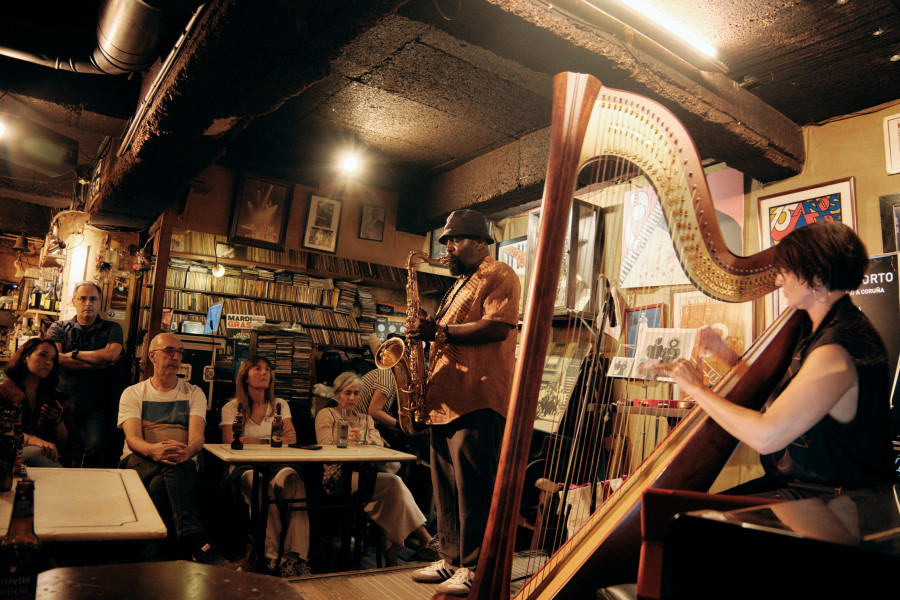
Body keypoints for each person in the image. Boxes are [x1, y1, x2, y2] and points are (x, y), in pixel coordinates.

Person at [661, 221, 897, 497]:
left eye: (786, 272)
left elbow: (766, 436)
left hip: (838, 501)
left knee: (686, 523)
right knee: (682, 511)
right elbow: (785, 400)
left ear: (817, 278)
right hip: (806, 488)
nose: (777, 281)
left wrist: (696, 389)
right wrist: (724, 353)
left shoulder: (838, 348)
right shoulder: (826, 329)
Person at [405, 209, 521, 596]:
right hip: (444, 401)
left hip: (476, 398)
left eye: (455, 240)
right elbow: (445, 335)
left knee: (474, 489)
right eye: (447, 242)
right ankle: (451, 559)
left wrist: (437, 329)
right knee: (447, 489)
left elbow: (497, 327)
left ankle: (474, 566)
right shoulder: (459, 283)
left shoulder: (499, 273)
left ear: (480, 242)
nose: (449, 248)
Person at [117, 332, 233, 567]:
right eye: (169, 351)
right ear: (152, 356)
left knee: (160, 485)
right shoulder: (133, 393)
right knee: (171, 469)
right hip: (139, 459)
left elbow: (197, 438)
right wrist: (153, 451)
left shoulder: (194, 392)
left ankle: (154, 562)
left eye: (179, 352)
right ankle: (199, 544)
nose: (176, 357)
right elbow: (133, 440)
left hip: (182, 459)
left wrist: (189, 451)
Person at [315, 371, 439, 566]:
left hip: (364, 476)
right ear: (337, 394)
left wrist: (364, 439)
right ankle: (424, 543)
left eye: (356, 393)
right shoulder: (326, 414)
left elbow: (377, 443)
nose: (352, 398)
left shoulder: (366, 419)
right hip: (337, 478)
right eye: (347, 393)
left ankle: (401, 558)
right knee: (393, 489)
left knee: (392, 492)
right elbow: (325, 444)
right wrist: (352, 440)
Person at [220, 355, 311, 577]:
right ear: (245, 376)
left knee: (293, 480)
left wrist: (255, 441)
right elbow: (230, 442)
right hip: (245, 467)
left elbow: (291, 438)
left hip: (277, 464)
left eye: (268, 369)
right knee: (258, 484)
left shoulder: (280, 405)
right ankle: (272, 558)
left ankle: (295, 559)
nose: (264, 373)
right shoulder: (232, 407)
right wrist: (270, 441)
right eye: (257, 369)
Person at [47, 281, 124, 467]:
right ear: (74, 301)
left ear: (99, 302)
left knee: (94, 449)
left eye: (93, 299)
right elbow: (54, 359)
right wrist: (98, 361)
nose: (88, 303)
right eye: (83, 298)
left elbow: (110, 357)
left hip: (96, 406)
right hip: (63, 403)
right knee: (59, 451)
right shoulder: (58, 328)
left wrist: (72, 355)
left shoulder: (112, 329)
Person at [0, 337, 72, 467]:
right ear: (25, 357)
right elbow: (3, 432)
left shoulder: (53, 395)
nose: (48, 362)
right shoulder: (5, 392)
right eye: (43, 355)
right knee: (37, 453)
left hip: (47, 456)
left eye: (53, 359)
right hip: (10, 452)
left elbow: (65, 441)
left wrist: (57, 420)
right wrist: (35, 441)